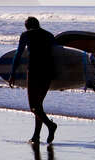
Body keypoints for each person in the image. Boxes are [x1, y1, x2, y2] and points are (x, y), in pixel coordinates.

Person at [9, 16, 58, 144]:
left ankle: (51, 126)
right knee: (39, 105)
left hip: (35, 72)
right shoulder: (49, 35)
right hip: (48, 72)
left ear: (27, 26)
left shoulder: (26, 35)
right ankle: (36, 136)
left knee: (34, 107)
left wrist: (13, 72)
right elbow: (57, 55)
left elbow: (18, 54)